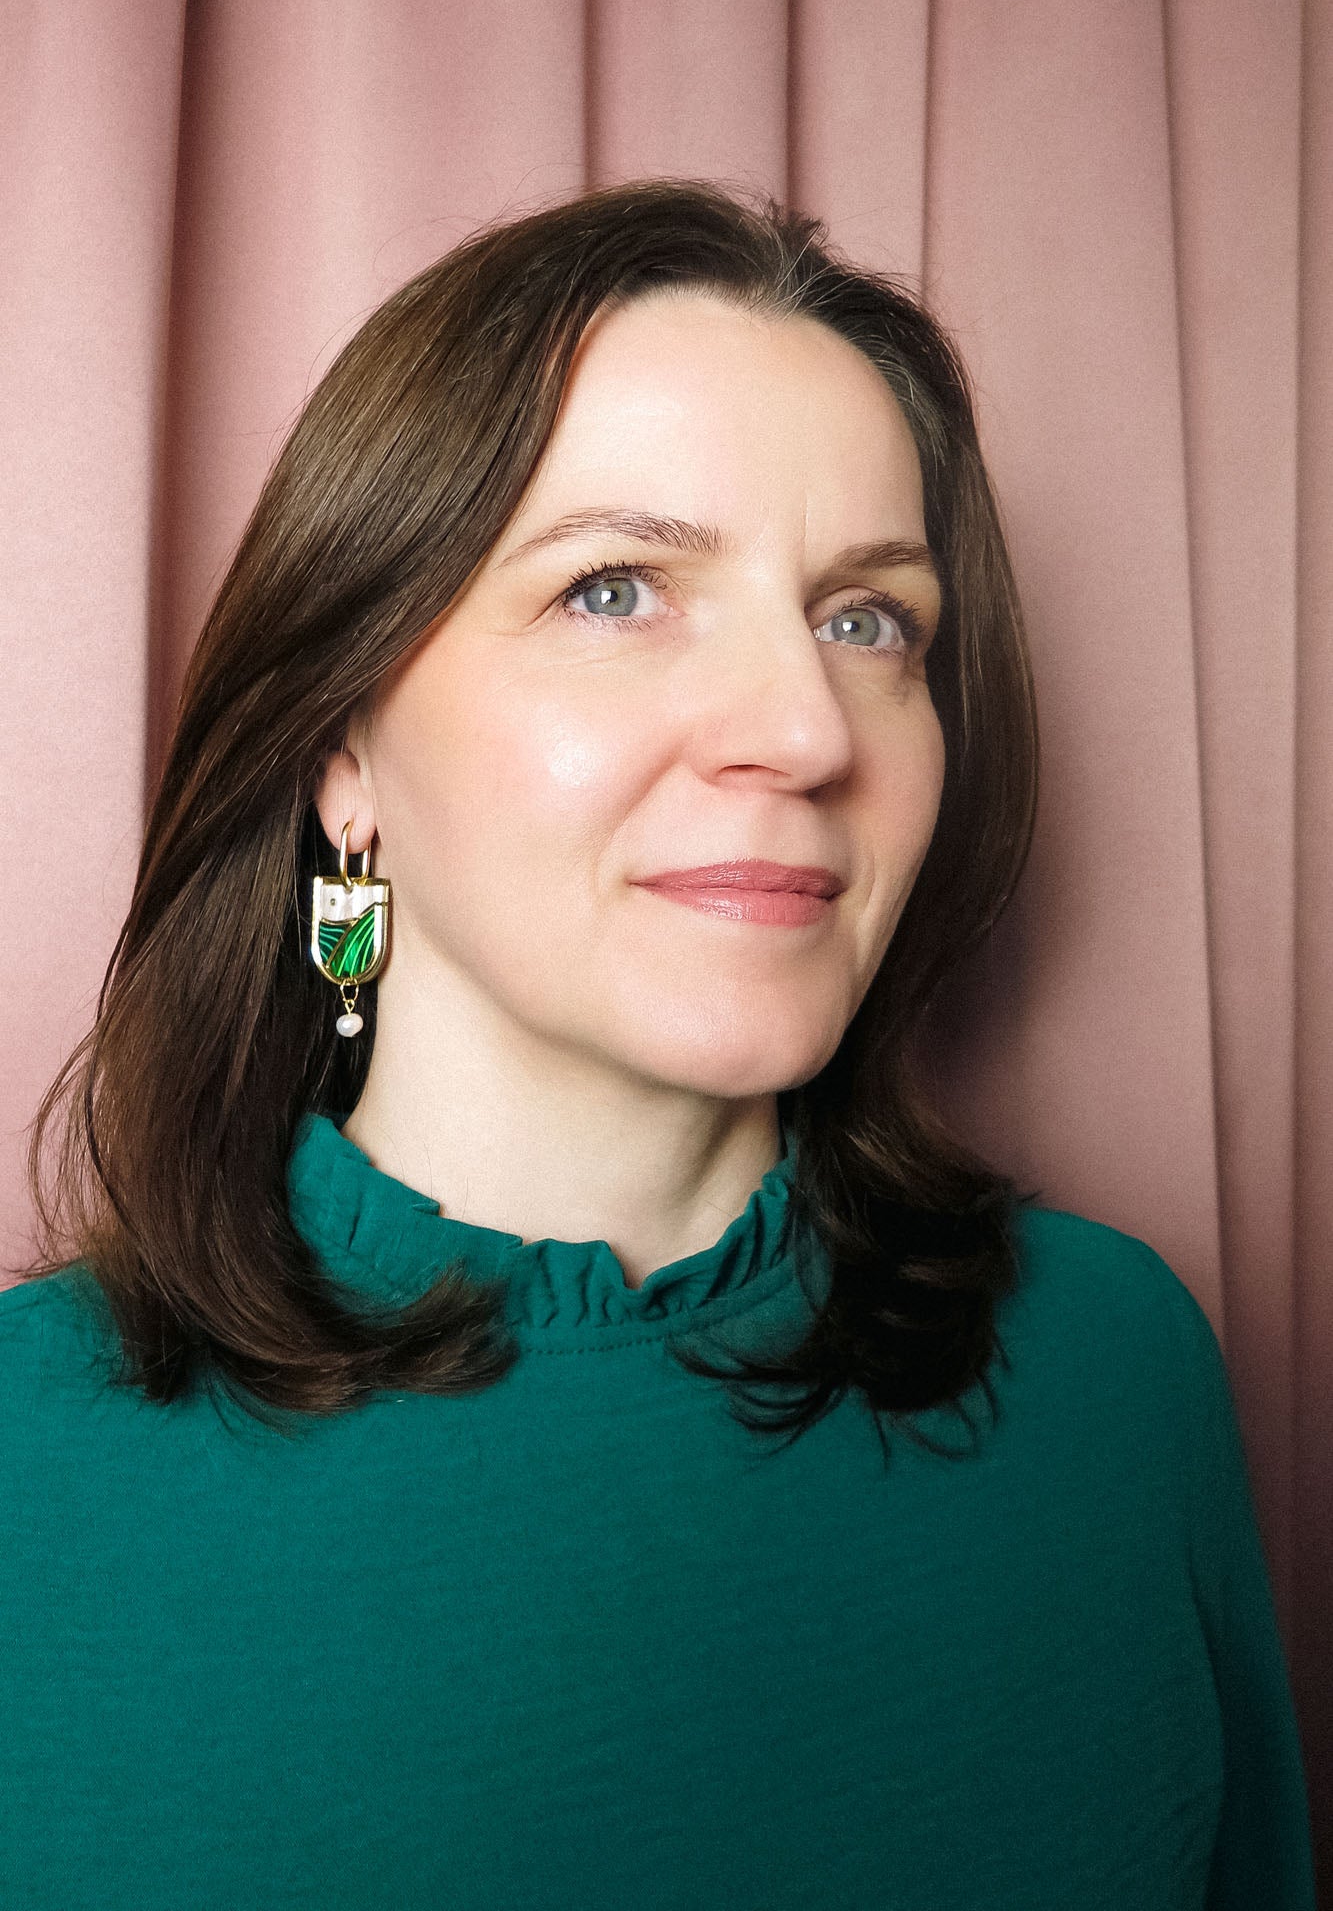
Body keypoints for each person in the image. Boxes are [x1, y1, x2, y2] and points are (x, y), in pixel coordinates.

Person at [2, 180, 1314, 1910]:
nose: (802, 727)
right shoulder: (32, 1461)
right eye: (616, 589)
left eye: (869, 622)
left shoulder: (1115, 1375)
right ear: (344, 752)